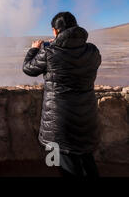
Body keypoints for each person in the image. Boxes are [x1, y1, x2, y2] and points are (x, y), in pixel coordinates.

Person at [23, 11, 101, 177]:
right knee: (86, 158)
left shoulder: (50, 53)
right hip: (87, 115)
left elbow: (28, 69)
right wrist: (59, 44)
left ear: (55, 31)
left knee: (67, 166)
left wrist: (34, 49)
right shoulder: (93, 51)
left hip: (60, 120)